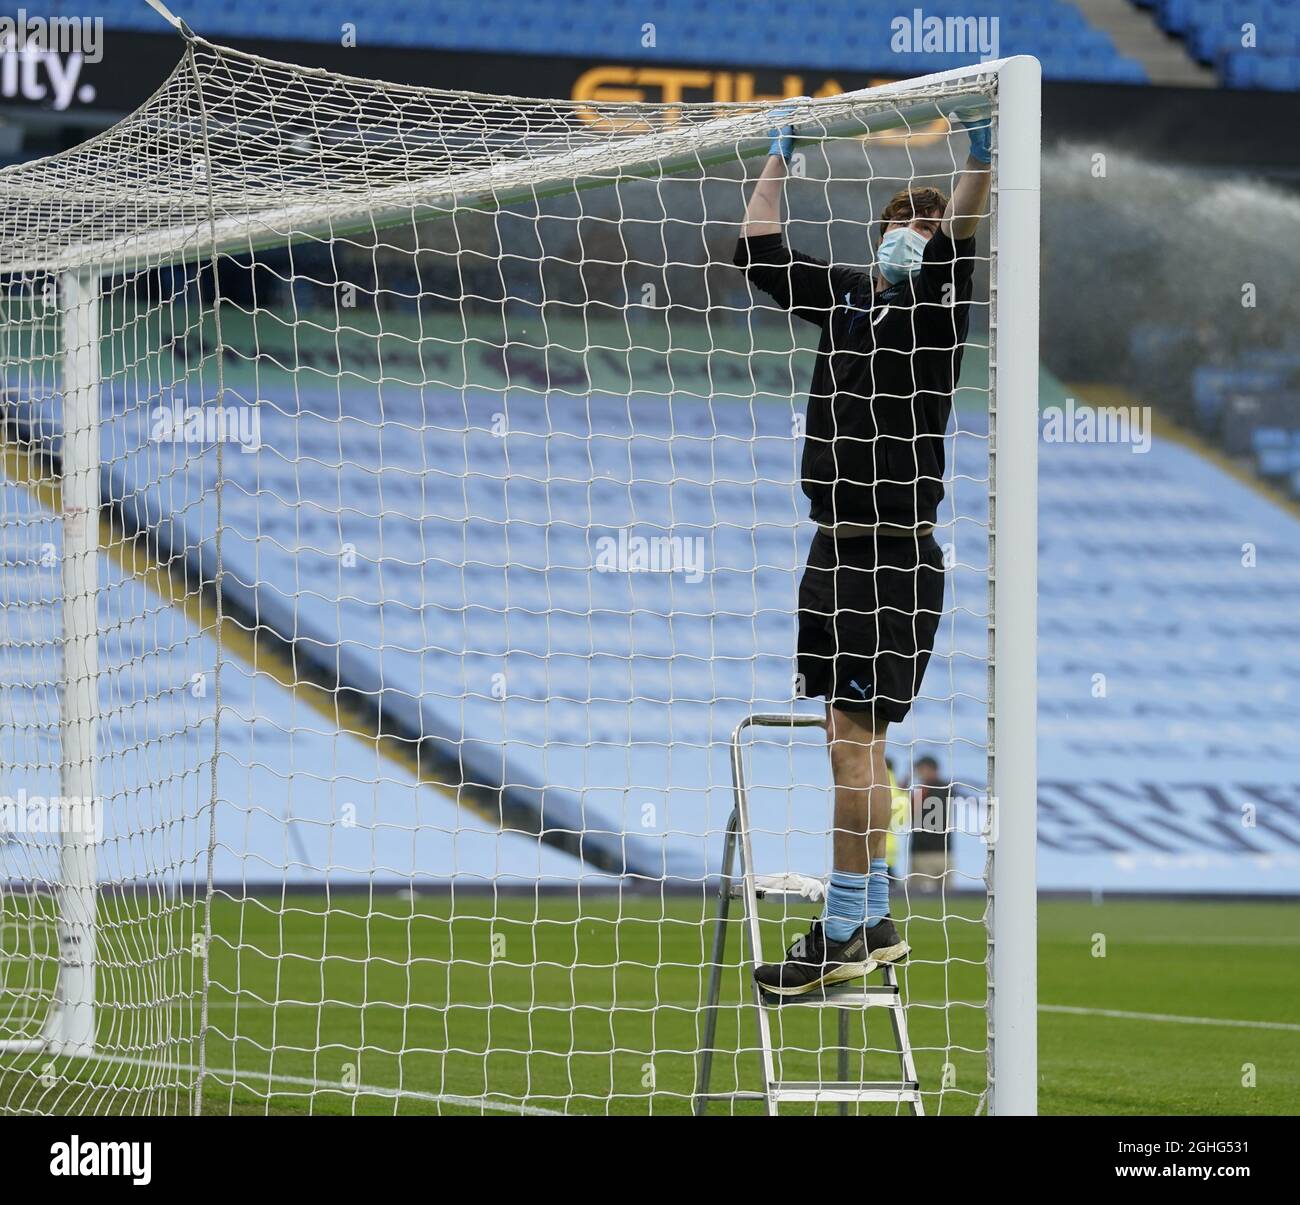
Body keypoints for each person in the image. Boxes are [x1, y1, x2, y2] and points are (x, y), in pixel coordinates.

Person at [734, 105, 991, 995]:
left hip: (892, 555)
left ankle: (841, 933)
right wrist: (780, 156)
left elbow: (961, 231)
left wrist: (979, 157)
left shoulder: (937, 318)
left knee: (858, 747)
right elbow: (761, 249)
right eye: (901, 226)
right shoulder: (844, 298)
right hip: (831, 551)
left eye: (924, 231)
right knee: (845, 737)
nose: (913, 238)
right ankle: (873, 912)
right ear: (877, 235)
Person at [909, 755, 953, 894]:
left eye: (920, 769)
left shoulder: (926, 792)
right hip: (944, 854)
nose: (918, 773)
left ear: (930, 769)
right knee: (946, 901)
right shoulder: (948, 789)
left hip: (925, 856)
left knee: (922, 900)